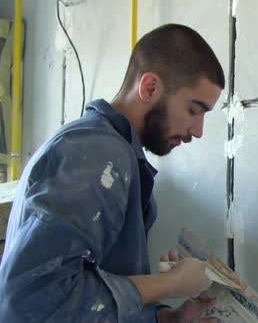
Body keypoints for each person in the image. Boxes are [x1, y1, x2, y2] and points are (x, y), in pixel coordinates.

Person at [0, 23, 225, 322]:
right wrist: (168, 284)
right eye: (194, 110)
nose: (198, 131)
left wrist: (166, 318)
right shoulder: (98, 151)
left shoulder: (117, 154)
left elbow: (90, 296)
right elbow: (34, 300)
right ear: (150, 88)